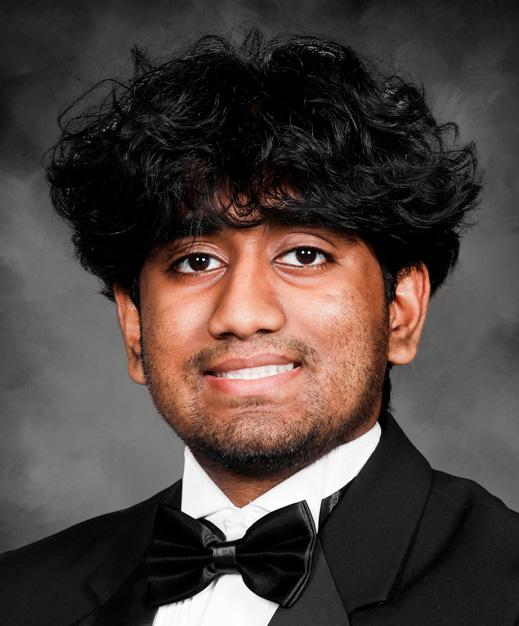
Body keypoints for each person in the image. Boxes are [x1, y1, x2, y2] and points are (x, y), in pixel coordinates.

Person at [1, 29, 518, 626]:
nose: (242, 314)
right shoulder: (19, 596)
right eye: (197, 261)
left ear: (401, 309)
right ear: (134, 326)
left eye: (305, 254)